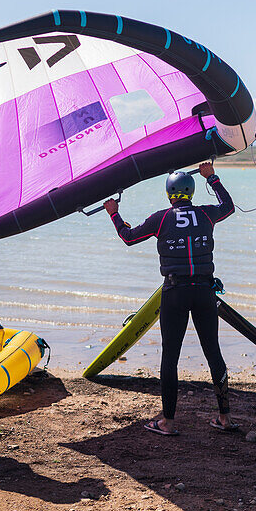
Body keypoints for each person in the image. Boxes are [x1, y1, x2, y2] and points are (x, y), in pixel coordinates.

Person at [104, 162, 237, 436]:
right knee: (213, 352)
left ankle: (167, 422)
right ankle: (224, 418)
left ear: (169, 194)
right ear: (191, 191)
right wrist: (212, 177)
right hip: (203, 291)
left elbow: (128, 238)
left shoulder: (161, 218)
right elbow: (228, 206)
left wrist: (114, 215)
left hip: (175, 293)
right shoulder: (206, 214)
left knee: (171, 356)